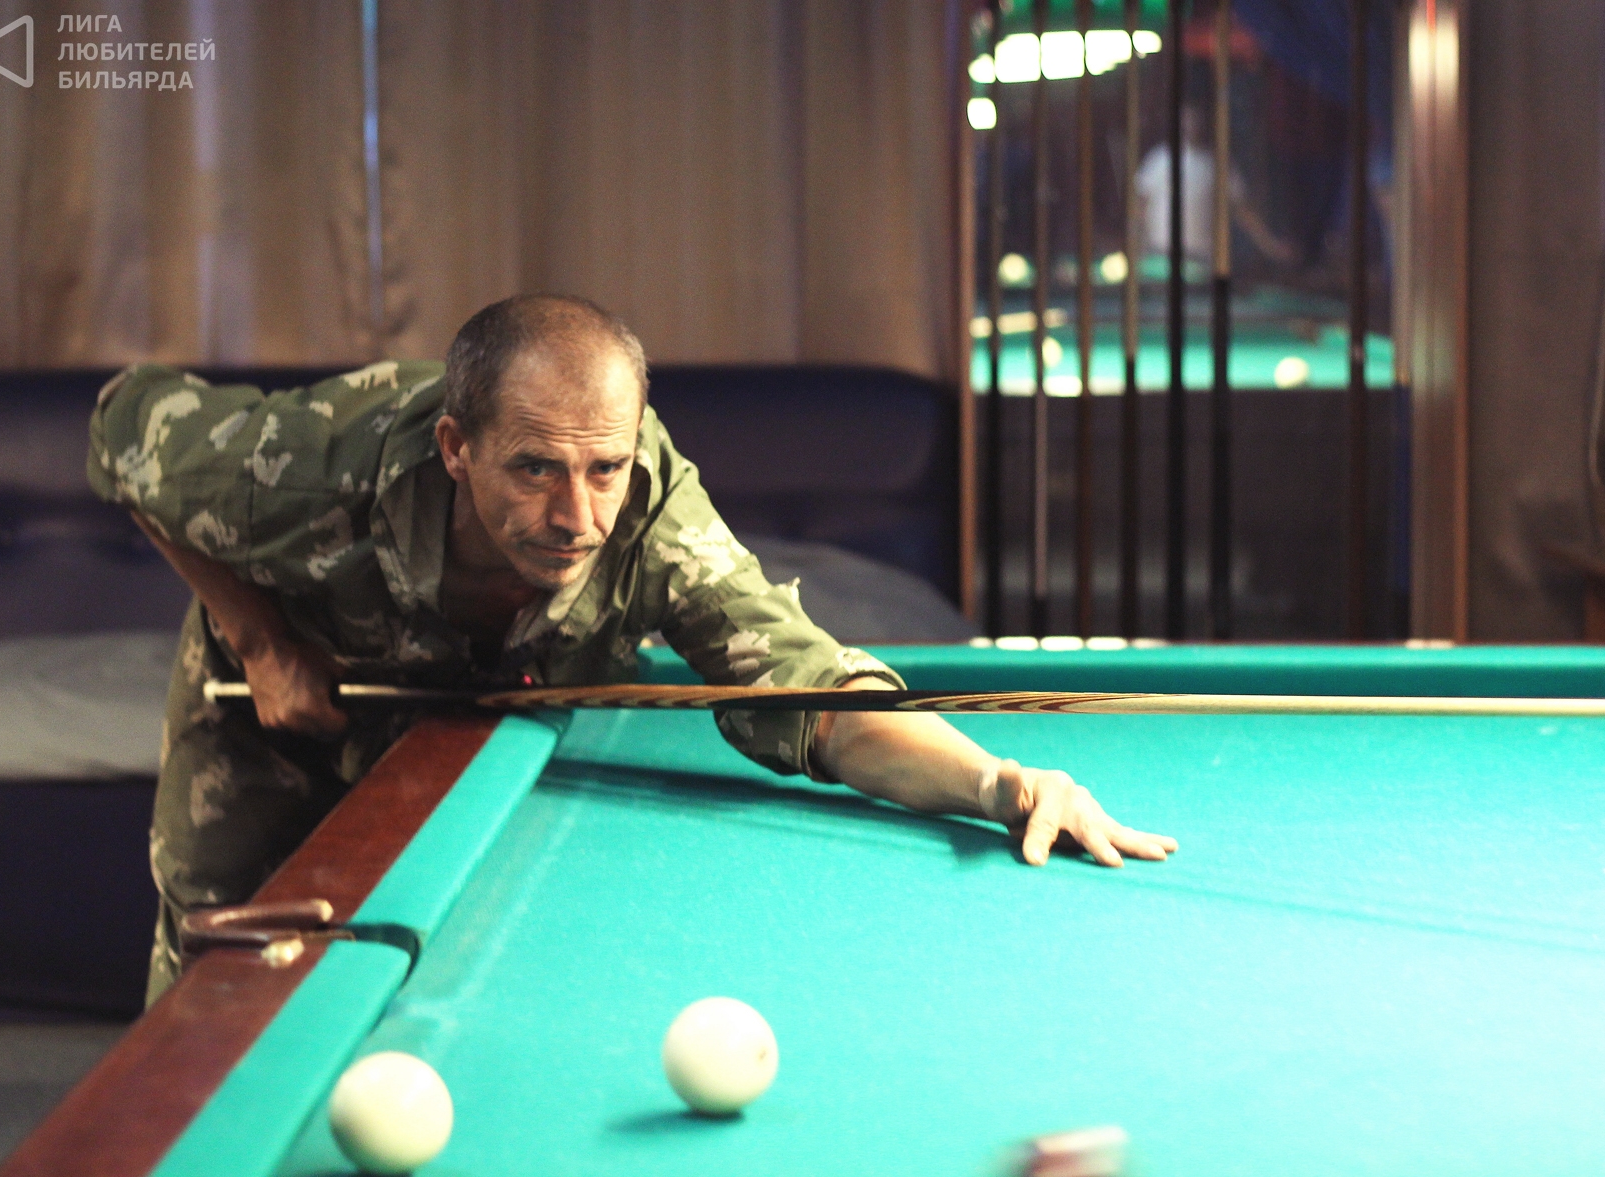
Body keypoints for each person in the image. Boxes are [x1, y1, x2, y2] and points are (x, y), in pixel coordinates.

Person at [88, 294, 1178, 1004]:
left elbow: (814, 692)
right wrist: (259, 634)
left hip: (475, 715)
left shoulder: (652, 514)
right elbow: (122, 421)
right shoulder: (307, 465)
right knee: (215, 967)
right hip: (272, 708)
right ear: (456, 448)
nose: (578, 516)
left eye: (602, 468)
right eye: (534, 470)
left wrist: (999, 782)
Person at [1136, 105, 1295, 266]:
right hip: (1159, 257)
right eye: (1186, 120)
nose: (1191, 125)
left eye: (1195, 119)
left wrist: (1271, 246)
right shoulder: (1158, 160)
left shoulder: (1218, 164)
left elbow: (1243, 212)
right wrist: (1137, 249)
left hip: (1201, 261)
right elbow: (1139, 208)